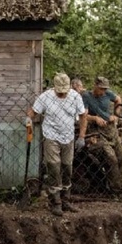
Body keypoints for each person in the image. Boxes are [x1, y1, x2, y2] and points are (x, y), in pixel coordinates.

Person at [30, 72, 86, 216]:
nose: (62, 94)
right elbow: (32, 111)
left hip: (68, 136)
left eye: (64, 91)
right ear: (55, 88)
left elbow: (82, 116)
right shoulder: (46, 97)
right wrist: (28, 120)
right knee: (53, 166)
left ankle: (65, 199)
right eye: (59, 92)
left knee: (67, 166)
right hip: (51, 135)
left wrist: (81, 136)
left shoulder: (75, 96)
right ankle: (55, 201)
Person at [81, 75, 122, 195]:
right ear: (95, 86)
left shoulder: (108, 94)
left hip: (110, 128)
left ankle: (121, 184)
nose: (103, 91)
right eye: (101, 88)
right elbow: (83, 115)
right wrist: (94, 118)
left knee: (120, 158)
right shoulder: (86, 96)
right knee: (111, 158)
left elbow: (118, 99)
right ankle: (117, 189)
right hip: (96, 130)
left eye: (105, 89)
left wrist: (116, 114)